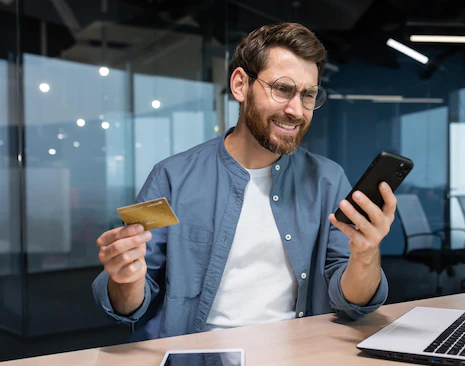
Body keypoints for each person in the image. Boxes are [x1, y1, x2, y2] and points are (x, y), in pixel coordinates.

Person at [92, 22, 396, 340]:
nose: (296, 110)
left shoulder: (328, 181)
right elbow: (127, 304)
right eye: (282, 89)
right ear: (240, 85)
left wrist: (366, 254)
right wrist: (125, 278)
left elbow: (352, 303)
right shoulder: (170, 177)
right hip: (195, 358)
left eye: (308, 95)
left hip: (300, 359)